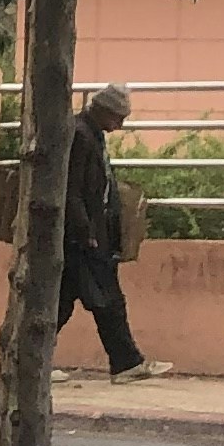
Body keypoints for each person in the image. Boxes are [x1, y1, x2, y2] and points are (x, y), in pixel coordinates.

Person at [59, 82, 170, 383]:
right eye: (118, 118)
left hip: (88, 234)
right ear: (105, 112)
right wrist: (86, 231)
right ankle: (126, 362)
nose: (120, 126)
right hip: (84, 238)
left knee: (62, 301)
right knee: (108, 299)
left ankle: (29, 361)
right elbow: (72, 190)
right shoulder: (81, 136)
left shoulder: (90, 133)